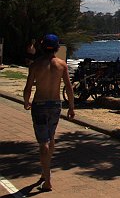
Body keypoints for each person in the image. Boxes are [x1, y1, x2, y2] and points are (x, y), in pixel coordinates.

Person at [23, 34, 75, 192]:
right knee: (50, 137)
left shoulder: (36, 65)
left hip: (39, 104)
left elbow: (28, 87)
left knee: (43, 142)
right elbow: (68, 87)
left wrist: (26, 101)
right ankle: (45, 171)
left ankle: (47, 180)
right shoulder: (61, 65)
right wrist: (71, 107)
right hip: (55, 105)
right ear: (57, 48)